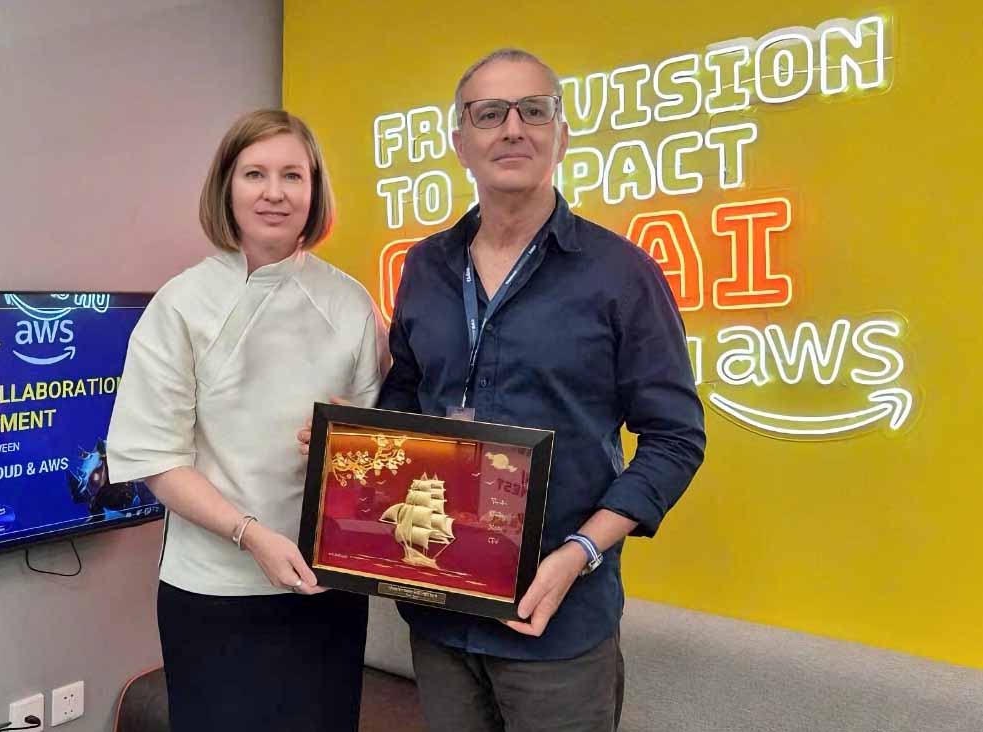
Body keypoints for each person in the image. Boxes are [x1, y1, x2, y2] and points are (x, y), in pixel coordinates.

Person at [370, 49, 705, 731]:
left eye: (534, 110)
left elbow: (675, 438)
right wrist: (355, 452)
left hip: (557, 622)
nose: (513, 128)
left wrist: (582, 551)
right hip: (438, 609)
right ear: (460, 142)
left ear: (561, 135)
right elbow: (403, 401)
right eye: (489, 113)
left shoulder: (621, 274)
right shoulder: (424, 266)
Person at [107, 109, 384, 732]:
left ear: (314, 191)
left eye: (293, 175)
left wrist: (352, 442)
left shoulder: (350, 303)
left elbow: (383, 445)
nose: (274, 192)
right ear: (226, 187)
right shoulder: (182, 303)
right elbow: (156, 457)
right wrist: (251, 535)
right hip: (213, 591)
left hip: (326, 587)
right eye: (255, 173)